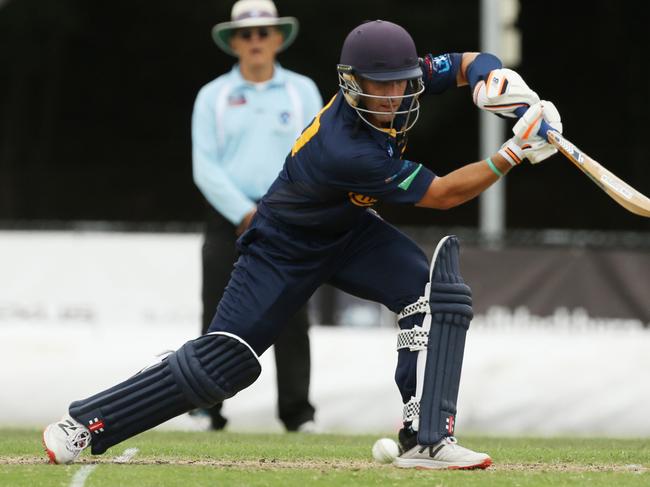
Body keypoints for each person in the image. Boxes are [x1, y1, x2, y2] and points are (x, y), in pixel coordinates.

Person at [43, 19, 562, 469]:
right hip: (282, 247)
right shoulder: (347, 150)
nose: (392, 97)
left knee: (430, 291)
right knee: (224, 366)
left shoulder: (405, 75)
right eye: (377, 87)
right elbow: (445, 195)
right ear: (351, 83)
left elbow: (469, 61)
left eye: (400, 84)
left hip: (349, 231)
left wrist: (497, 85)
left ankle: (426, 438)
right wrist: (513, 152)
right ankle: (85, 422)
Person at [191, 0, 322, 432]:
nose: (255, 41)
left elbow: (317, 154)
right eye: (246, 35)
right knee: (217, 314)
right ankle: (207, 408)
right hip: (230, 217)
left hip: (288, 217)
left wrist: (287, 207)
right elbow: (205, 166)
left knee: (292, 315)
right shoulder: (214, 96)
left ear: (278, 38)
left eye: (263, 33)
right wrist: (245, 212)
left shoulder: (301, 91)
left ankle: (298, 413)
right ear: (234, 42)